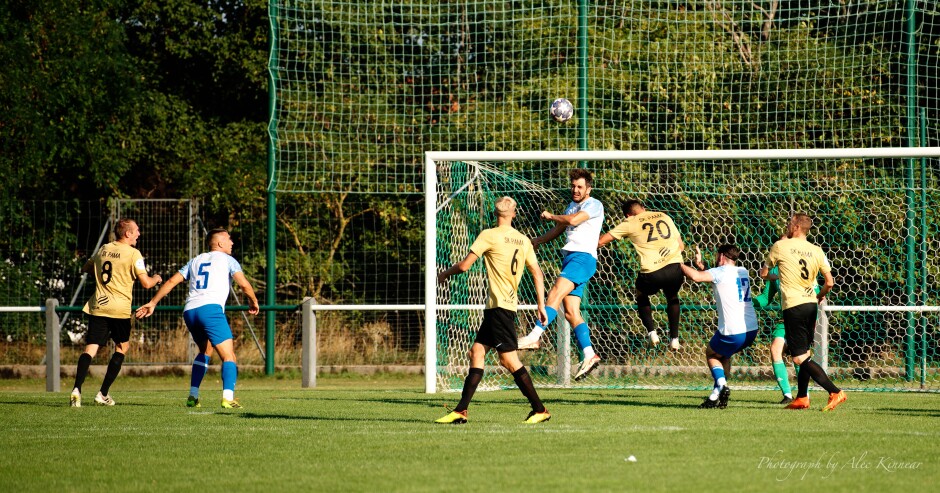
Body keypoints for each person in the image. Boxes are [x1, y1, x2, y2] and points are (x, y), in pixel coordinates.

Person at [435, 197, 551, 424]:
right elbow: (537, 273)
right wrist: (541, 304)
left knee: (509, 360)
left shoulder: (489, 235)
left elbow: (465, 265)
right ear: (514, 214)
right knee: (476, 352)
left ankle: (539, 409)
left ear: (495, 212)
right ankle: (461, 410)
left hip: (500, 307)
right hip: (499, 307)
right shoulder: (523, 240)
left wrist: (444, 274)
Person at [135, 228, 259, 409]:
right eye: (229, 240)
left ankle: (193, 396)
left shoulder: (195, 260)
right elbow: (244, 284)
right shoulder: (228, 260)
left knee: (205, 351)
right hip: (210, 310)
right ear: (220, 243)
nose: (232, 243)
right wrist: (253, 301)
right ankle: (228, 398)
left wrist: (153, 303)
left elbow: (170, 282)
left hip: (190, 311)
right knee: (228, 356)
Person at [515, 169, 605, 381]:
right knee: (571, 312)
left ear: (588, 188)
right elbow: (559, 229)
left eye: (580, 186)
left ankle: (534, 336)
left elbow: (573, 221)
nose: (575, 189)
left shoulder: (594, 204)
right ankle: (589, 354)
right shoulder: (571, 206)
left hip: (582, 259)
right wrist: (537, 240)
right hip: (572, 258)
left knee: (554, 292)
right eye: (573, 186)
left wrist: (551, 215)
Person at [70, 218, 163, 407]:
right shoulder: (133, 253)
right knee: (122, 348)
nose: (139, 233)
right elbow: (146, 284)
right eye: (136, 230)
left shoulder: (104, 249)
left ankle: (76, 390)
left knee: (91, 348)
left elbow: (86, 267)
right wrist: (156, 278)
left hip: (98, 306)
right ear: (127, 233)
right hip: (119, 309)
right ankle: (103, 393)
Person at [760, 213, 846, 412]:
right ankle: (801, 397)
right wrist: (819, 296)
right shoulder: (816, 250)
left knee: (799, 358)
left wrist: (776, 274)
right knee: (804, 352)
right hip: (810, 305)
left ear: (797, 226)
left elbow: (764, 274)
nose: (788, 226)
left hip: (794, 305)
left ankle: (835, 391)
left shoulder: (780, 246)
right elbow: (830, 282)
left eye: (790, 223)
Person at [598, 199, 685, 349]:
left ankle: (652, 332)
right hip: (675, 268)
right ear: (644, 208)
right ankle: (674, 338)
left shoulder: (630, 222)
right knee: (672, 296)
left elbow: (600, 242)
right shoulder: (664, 216)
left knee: (640, 293)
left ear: (627, 215)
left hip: (652, 272)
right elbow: (681, 246)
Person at [682, 245, 758, 408]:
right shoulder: (742, 271)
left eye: (717, 255)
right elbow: (720, 278)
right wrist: (703, 267)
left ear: (722, 256)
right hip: (751, 329)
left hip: (733, 331)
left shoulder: (720, 272)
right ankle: (715, 396)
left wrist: (676, 263)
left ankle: (722, 385)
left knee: (711, 354)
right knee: (725, 355)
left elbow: (696, 277)